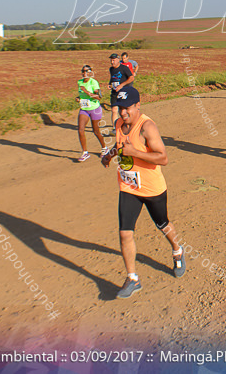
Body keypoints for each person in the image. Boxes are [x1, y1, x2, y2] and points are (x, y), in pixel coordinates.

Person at [101, 86, 185, 298]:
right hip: (129, 187)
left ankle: (177, 250)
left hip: (152, 188)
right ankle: (132, 278)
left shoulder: (147, 127)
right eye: (120, 108)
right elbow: (121, 145)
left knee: (163, 224)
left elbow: (163, 158)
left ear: (138, 105)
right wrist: (110, 155)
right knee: (125, 232)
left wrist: (136, 153)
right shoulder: (120, 124)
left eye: (127, 108)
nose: (122, 113)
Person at [76, 65, 105, 162]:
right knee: (80, 130)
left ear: (90, 73)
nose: (85, 73)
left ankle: (104, 148)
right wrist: (78, 98)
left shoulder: (94, 82)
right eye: (83, 71)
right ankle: (85, 152)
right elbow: (81, 94)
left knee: (96, 131)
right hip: (84, 109)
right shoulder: (79, 82)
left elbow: (99, 97)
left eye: (87, 71)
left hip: (94, 109)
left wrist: (87, 92)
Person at [108, 53, 136, 132]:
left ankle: (130, 125)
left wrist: (122, 85)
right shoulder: (111, 69)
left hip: (123, 92)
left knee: (125, 110)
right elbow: (112, 78)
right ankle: (115, 128)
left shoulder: (124, 68)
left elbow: (131, 78)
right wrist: (109, 84)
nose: (112, 62)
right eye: (111, 60)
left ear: (117, 60)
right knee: (114, 110)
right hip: (114, 92)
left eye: (113, 60)